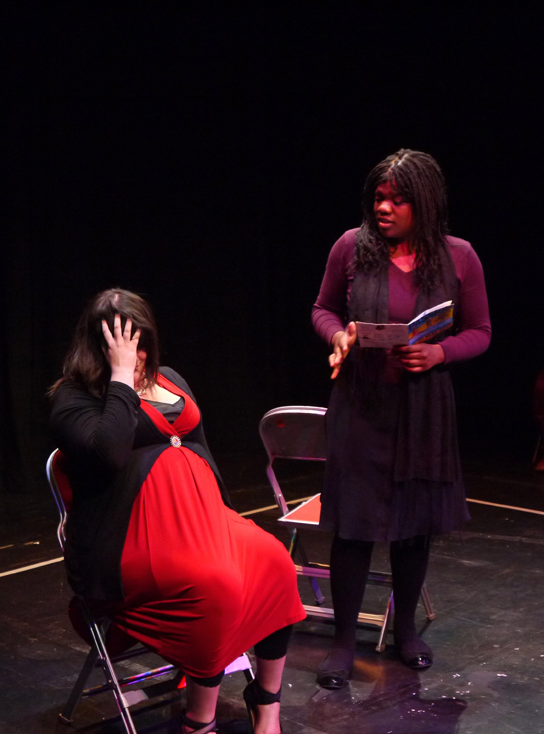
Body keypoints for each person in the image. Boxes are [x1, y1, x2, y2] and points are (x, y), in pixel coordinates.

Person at [49, 289, 306, 734]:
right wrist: (121, 377)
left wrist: (221, 514)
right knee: (215, 586)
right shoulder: (74, 399)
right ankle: (198, 720)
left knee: (276, 563)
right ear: (101, 347)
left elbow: (199, 442)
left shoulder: (169, 377)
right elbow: (109, 452)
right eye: (127, 345)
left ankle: (266, 703)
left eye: (143, 343)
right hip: (131, 537)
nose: (140, 354)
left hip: (202, 520)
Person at [311, 149, 491, 689]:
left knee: (413, 527)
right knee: (354, 528)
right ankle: (345, 641)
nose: (383, 207)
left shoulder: (459, 256)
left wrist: (440, 353)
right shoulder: (351, 247)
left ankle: (406, 630)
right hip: (362, 406)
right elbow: (321, 309)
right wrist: (338, 336)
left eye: (397, 199)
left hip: (423, 409)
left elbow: (480, 331)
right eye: (379, 197)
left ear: (425, 203)